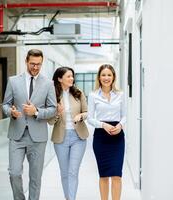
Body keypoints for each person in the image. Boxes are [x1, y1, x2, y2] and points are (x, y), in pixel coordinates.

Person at [2, 49, 57, 200]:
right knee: (14, 173)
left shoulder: (48, 83)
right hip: (16, 135)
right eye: (32, 64)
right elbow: (5, 105)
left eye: (39, 64)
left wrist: (37, 112)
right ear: (26, 61)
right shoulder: (13, 81)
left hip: (38, 137)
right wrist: (10, 112)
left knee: (35, 178)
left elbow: (53, 109)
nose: (35, 67)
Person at [48, 67, 89, 200]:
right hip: (61, 138)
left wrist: (81, 116)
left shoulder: (79, 93)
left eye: (72, 76)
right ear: (60, 79)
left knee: (73, 172)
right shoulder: (52, 96)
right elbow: (50, 121)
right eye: (68, 76)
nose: (72, 79)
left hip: (79, 137)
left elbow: (87, 112)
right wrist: (58, 113)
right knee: (65, 173)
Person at [87, 64, 126, 200]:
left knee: (116, 174)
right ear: (99, 77)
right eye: (103, 75)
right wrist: (103, 125)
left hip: (117, 137)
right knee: (103, 175)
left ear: (113, 77)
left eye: (109, 75)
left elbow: (125, 115)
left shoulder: (120, 95)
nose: (106, 78)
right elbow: (90, 119)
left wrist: (120, 125)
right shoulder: (93, 95)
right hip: (101, 137)